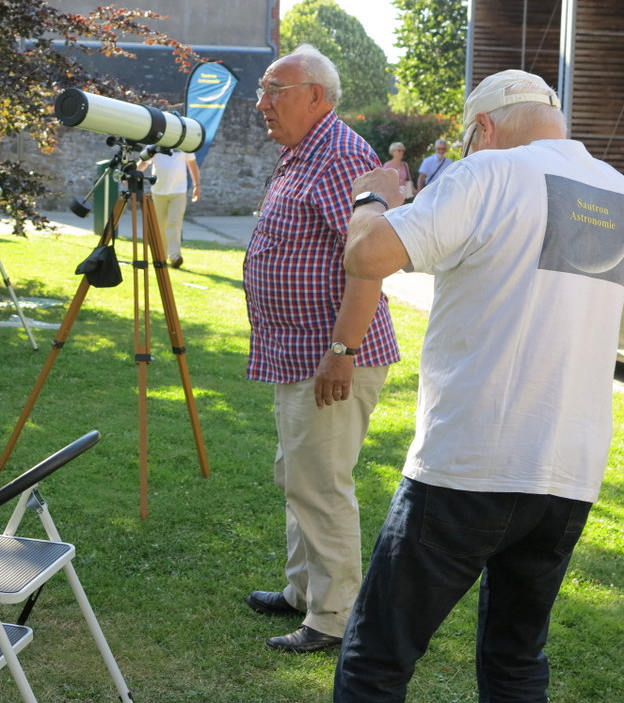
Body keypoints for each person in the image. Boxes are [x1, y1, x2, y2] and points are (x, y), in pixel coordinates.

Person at [335, 69, 624, 701]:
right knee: (516, 661)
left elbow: (367, 255)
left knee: (377, 656)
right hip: (568, 470)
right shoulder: (616, 191)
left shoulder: (487, 172)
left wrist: (372, 199)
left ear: (484, 127)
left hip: (467, 465)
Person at [243, 44, 400, 653]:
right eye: (263, 90)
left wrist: (341, 350)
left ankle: (333, 617)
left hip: (331, 355)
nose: (261, 103)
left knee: (321, 484)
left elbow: (369, 262)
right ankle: (303, 591)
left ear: (315, 95)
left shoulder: (339, 155)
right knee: (298, 474)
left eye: (273, 90)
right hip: (299, 351)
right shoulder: (301, 152)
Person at [137, 146, 200, 268]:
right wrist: (133, 174)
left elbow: (192, 163)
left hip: (179, 191)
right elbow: (144, 162)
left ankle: (175, 256)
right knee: (159, 225)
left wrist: (197, 185)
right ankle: (161, 256)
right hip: (158, 192)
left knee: (174, 222)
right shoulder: (154, 144)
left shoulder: (184, 144)